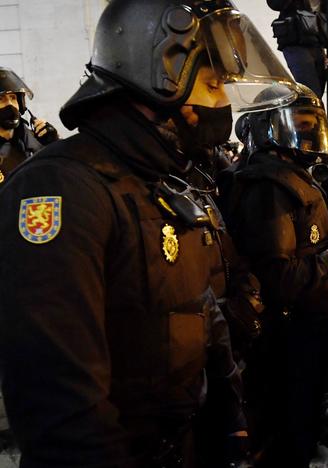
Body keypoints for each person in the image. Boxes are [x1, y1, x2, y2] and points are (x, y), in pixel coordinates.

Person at [0, 1, 296, 466]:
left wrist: (229, 417)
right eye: (214, 81)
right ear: (161, 76)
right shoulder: (62, 189)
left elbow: (197, 314)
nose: (221, 101)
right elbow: (59, 402)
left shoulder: (160, 179)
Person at [217, 86, 328, 467]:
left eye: (309, 123)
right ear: (269, 127)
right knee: (290, 425)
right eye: (298, 124)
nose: (306, 132)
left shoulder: (288, 175)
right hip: (290, 334)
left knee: (304, 413)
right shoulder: (269, 187)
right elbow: (282, 278)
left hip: (309, 330)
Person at [0, 67, 59, 182]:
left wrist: (54, 145)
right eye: (1, 99)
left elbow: (64, 175)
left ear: (21, 103)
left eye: (13, 98)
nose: (10, 104)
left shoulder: (36, 141)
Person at [267, 0, 328, 98]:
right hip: (295, 43)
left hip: (316, 42)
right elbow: (274, 3)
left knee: (317, 92)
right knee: (312, 92)